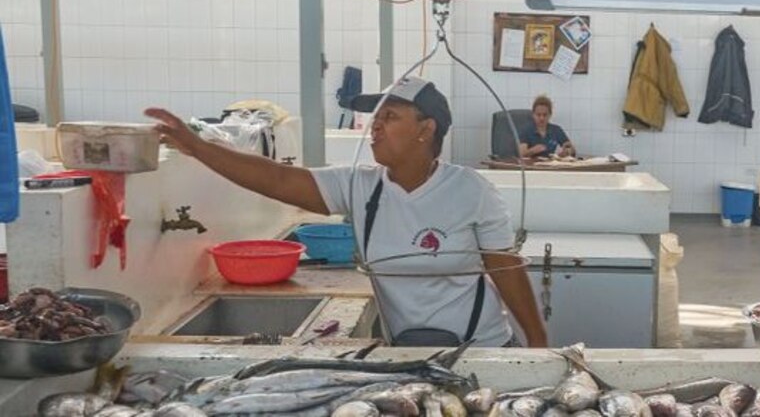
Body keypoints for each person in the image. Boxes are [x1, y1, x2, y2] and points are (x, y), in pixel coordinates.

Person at [145, 76, 547, 348]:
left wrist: (540, 346)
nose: (376, 126)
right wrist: (197, 148)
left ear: (426, 130)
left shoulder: (470, 191)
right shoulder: (359, 186)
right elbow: (278, 181)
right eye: (377, 117)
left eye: (390, 117)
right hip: (404, 354)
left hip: (480, 348)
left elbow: (507, 272)